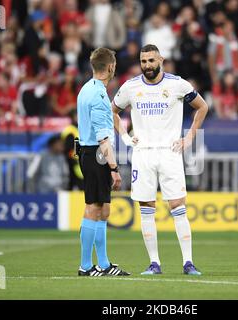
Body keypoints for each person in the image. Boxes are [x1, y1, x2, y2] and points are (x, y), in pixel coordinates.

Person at [112, 44, 208, 275]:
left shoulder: (177, 84)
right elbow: (112, 110)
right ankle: (154, 263)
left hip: (169, 152)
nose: (147, 66)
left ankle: (188, 262)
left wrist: (189, 137)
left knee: (177, 206)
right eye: (143, 61)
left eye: (151, 61)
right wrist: (124, 137)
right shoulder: (130, 87)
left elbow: (202, 106)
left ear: (161, 60)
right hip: (142, 153)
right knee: (146, 207)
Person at [76, 47, 130, 277]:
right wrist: (114, 168)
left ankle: (104, 264)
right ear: (110, 67)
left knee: (104, 208)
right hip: (95, 154)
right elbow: (103, 138)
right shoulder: (97, 95)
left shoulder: (87, 89)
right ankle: (86, 266)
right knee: (94, 208)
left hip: (90, 152)